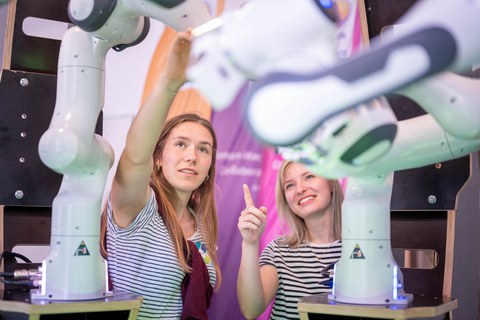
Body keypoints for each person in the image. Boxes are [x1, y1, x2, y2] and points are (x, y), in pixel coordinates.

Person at [100, 30, 221, 319]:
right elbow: (134, 155)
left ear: (208, 168)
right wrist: (169, 84)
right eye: (181, 145)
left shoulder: (200, 221)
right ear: (157, 158)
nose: (192, 155)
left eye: (204, 149)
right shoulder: (139, 209)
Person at [237, 160, 344, 320]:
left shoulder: (362, 249)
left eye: (309, 176)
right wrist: (250, 244)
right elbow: (251, 310)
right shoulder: (278, 250)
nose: (300, 189)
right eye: (290, 185)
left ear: (330, 183)